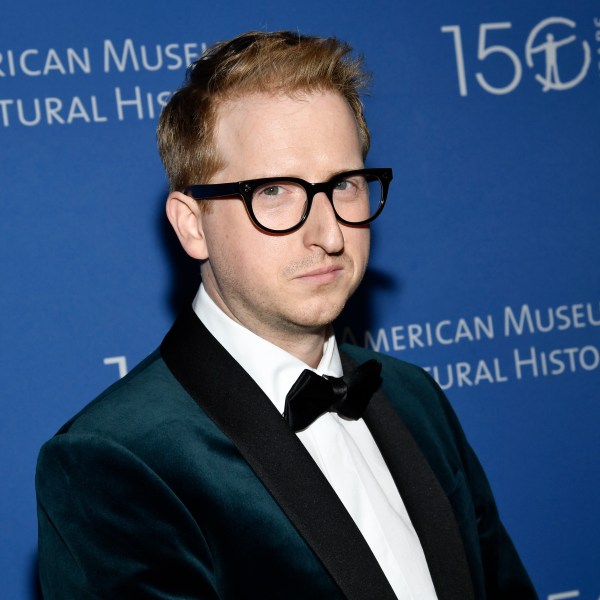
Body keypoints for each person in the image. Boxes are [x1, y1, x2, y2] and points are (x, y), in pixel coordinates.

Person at [36, 31, 537, 599]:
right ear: (192, 224)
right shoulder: (116, 460)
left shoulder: (412, 395)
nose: (328, 234)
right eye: (273, 190)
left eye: (344, 184)